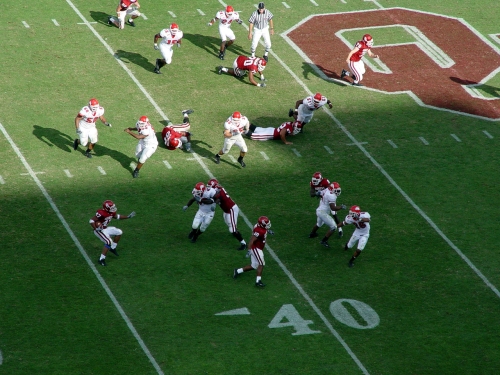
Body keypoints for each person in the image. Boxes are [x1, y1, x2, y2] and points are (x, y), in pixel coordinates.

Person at [90, 200, 136, 266]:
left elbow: (117, 217)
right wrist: (96, 228)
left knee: (119, 232)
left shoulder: (111, 212)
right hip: (99, 230)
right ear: (106, 208)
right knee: (108, 241)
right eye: (111, 208)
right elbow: (91, 220)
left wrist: (128, 217)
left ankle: (113, 248)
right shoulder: (101, 213)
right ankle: (101, 259)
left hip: (105, 228)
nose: (113, 209)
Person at [233, 216, 274, 288]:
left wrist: (267, 231)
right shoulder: (259, 231)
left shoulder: (259, 227)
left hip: (257, 247)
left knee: (254, 266)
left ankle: (237, 271)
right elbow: (252, 240)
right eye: (266, 224)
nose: (267, 225)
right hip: (256, 248)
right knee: (261, 263)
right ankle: (258, 281)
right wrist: (249, 250)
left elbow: (261, 231)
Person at [208, 179, 247, 250]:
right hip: (226, 210)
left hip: (231, 210)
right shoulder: (218, 190)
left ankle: (243, 243)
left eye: (210, 187)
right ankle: (235, 231)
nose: (209, 188)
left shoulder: (220, 192)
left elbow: (217, 200)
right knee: (229, 224)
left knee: (232, 230)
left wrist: (213, 202)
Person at [308, 182, 346, 247]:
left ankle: (312, 234)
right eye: (336, 190)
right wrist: (341, 207)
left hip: (320, 210)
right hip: (323, 212)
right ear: (332, 189)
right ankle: (324, 240)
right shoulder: (331, 196)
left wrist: (317, 194)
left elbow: (320, 193)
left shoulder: (327, 189)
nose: (337, 192)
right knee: (333, 227)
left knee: (319, 224)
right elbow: (333, 208)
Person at [310, 172, 343, 238]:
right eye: (313, 180)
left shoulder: (325, 182)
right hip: (323, 200)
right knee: (321, 218)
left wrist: (323, 194)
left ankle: (340, 229)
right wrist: (317, 194)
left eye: (316, 181)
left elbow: (330, 189)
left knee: (334, 213)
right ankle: (314, 232)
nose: (314, 182)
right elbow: (311, 194)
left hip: (329, 199)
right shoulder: (312, 183)